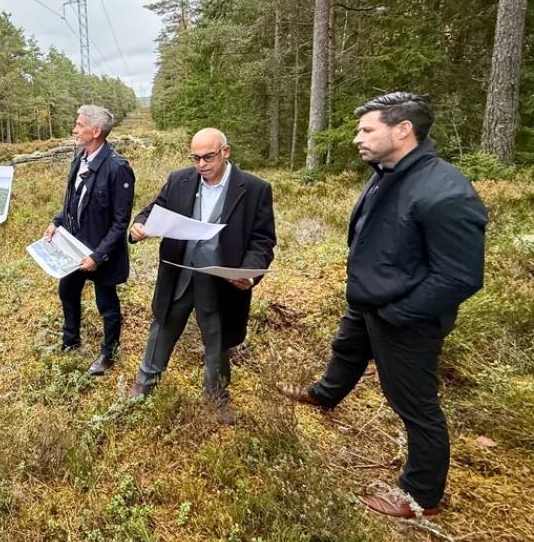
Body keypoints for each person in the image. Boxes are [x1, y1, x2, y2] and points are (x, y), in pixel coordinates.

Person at [277, 92, 487, 518]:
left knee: (414, 403)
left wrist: (398, 313)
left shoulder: (444, 191)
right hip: (370, 300)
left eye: (367, 129)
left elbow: (460, 276)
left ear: (403, 129)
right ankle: (325, 395)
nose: (358, 138)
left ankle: (420, 495)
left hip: (407, 317)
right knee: (347, 349)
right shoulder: (387, 171)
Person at [128, 128, 276, 425]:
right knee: (162, 326)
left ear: (226, 151)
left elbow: (262, 241)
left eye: (208, 156)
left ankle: (216, 398)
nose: (201, 164)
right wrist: (139, 225)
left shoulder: (255, 189)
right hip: (179, 274)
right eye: (194, 157)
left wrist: (248, 275)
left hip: (221, 282)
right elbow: (152, 211)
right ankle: (145, 384)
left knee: (218, 339)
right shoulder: (179, 180)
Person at [44, 105, 136, 376]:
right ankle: (70, 341)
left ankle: (109, 353)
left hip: (101, 253)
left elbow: (121, 223)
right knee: (67, 291)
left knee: (106, 303)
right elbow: (73, 202)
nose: (74, 129)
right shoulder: (80, 158)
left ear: (95, 131)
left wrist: (98, 256)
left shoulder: (118, 169)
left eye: (79, 124)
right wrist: (57, 221)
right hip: (74, 246)